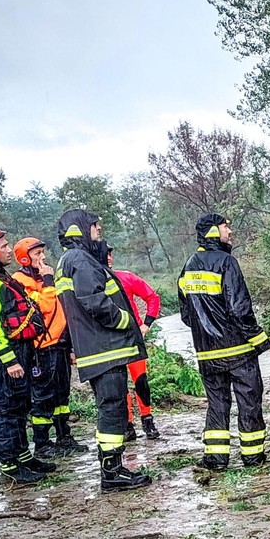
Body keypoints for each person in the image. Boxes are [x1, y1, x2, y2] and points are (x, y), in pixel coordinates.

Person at [53, 209, 153, 492]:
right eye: (95, 227)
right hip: (105, 348)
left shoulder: (70, 260)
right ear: (81, 230)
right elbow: (94, 301)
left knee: (110, 407)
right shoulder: (80, 260)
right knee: (112, 409)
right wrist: (125, 321)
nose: (99, 231)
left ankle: (113, 467)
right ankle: (112, 472)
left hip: (98, 348)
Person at [179, 213, 270, 470]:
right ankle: (253, 457)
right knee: (249, 401)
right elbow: (239, 307)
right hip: (239, 351)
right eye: (225, 226)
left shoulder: (187, 266)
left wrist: (208, 335)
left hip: (207, 355)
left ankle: (216, 459)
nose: (230, 232)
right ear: (212, 232)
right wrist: (258, 338)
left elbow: (187, 315)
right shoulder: (226, 262)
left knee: (217, 404)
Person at [0, 229, 56, 484]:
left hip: (21, 348)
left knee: (21, 404)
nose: (8, 250)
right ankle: (9, 464)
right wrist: (10, 360)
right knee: (7, 408)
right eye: (3, 246)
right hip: (6, 353)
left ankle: (23, 456)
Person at [12, 237, 87, 458]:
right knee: (43, 396)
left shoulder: (42, 279)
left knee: (62, 396)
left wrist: (71, 345)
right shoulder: (20, 281)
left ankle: (64, 436)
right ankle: (42, 443)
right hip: (42, 347)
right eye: (37, 254)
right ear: (24, 257)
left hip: (60, 344)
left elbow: (63, 311)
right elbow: (46, 306)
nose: (43, 257)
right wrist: (47, 281)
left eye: (43, 252)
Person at [108, 248, 162, 442]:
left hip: (132, 338)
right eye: (104, 254)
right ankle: (127, 425)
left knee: (141, 381)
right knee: (119, 384)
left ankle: (148, 421)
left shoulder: (126, 277)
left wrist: (146, 324)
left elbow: (152, 297)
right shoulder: (92, 283)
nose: (108, 257)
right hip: (110, 342)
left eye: (110, 253)